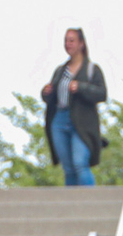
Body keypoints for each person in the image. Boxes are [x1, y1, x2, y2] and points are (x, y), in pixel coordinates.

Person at [39, 28, 107, 186]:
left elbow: (102, 93)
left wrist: (81, 87)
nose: (68, 44)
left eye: (71, 40)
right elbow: (51, 98)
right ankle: (72, 204)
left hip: (82, 122)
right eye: (66, 40)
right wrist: (46, 92)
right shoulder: (60, 71)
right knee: (68, 168)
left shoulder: (91, 69)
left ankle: (91, 201)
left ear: (81, 44)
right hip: (60, 119)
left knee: (79, 163)